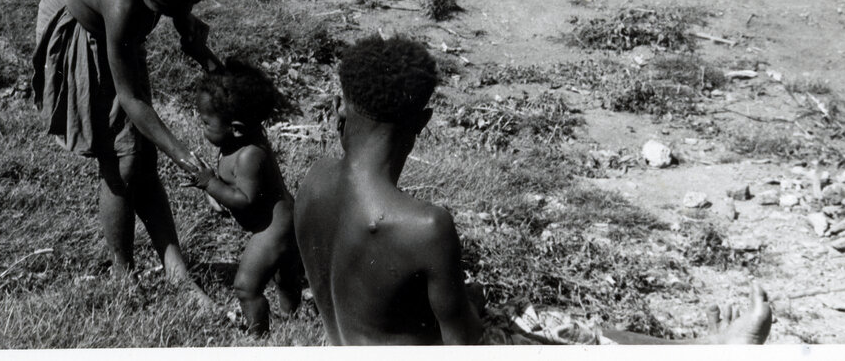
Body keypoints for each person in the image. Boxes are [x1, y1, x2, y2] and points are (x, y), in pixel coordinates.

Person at [294, 34, 773, 345]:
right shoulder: (422, 225)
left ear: (338, 106)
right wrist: (471, 309)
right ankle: (705, 352)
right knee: (556, 333)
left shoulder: (313, 181)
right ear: (423, 122)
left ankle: (698, 350)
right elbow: (464, 345)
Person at [32, 0, 222, 303]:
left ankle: (176, 273)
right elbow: (131, 98)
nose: (177, 12)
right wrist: (190, 160)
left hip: (122, 28)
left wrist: (198, 44)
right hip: (82, 31)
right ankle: (124, 274)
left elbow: (175, 0)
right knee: (122, 158)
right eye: (165, 7)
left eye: (187, 1)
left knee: (140, 156)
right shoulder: (121, 0)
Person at [187, 60, 303, 335]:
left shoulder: (250, 155)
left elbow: (245, 199)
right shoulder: (237, 140)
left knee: (246, 287)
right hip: (282, 222)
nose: (201, 125)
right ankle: (293, 318)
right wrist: (215, 193)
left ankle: (258, 335)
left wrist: (210, 184)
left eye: (205, 121)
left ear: (236, 127)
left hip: (273, 229)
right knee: (284, 276)